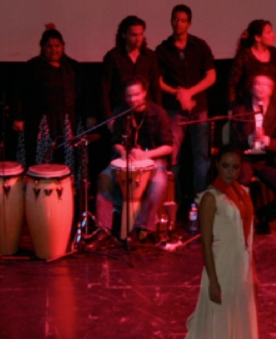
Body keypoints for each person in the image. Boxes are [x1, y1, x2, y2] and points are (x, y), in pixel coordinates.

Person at [174, 144, 265, 339]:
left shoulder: (243, 193)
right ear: (217, 165)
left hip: (241, 272)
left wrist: (254, 273)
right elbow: (205, 244)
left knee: (238, 327)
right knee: (211, 328)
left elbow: (248, 240)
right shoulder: (211, 198)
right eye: (225, 166)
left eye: (235, 167)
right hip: (221, 270)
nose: (230, 171)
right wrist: (213, 281)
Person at [95, 76, 172, 241]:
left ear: (144, 93)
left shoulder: (158, 113)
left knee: (159, 182)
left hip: (152, 158)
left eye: (136, 94)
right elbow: (115, 141)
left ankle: (142, 227)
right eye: (129, 96)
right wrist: (123, 151)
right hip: (126, 159)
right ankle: (103, 228)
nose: (133, 99)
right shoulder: (121, 112)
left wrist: (146, 154)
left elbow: (168, 146)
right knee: (104, 178)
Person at [12, 25, 95, 170]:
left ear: (63, 46)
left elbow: (84, 94)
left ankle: (68, 188)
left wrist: (89, 115)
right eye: (49, 46)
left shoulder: (72, 67)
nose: (53, 50)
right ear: (42, 47)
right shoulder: (32, 67)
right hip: (42, 121)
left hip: (68, 121)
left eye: (57, 46)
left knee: (68, 158)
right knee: (43, 159)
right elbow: (19, 93)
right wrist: (19, 117)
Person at [155, 5, 216, 198]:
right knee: (173, 157)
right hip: (174, 110)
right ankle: (173, 201)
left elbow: (211, 76)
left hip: (199, 108)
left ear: (189, 23)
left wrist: (189, 93)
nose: (178, 23)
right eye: (175, 19)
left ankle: (201, 200)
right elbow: (157, 81)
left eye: (182, 20)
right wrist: (177, 93)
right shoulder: (163, 49)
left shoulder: (199, 45)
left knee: (202, 157)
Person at [230, 74, 276, 234]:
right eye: (257, 84)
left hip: (267, 160)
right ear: (251, 88)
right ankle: (240, 221)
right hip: (246, 158)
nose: (261, 87)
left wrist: (267, 140)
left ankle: (262, 216)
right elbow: (233, 141)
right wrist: (249, 139)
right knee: (242, 181)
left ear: (272, 90)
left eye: (265, 85)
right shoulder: (241, 110)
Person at [101, 16, 162, 121]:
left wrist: (158, 112)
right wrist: (109, 117)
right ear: (124, 35)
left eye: (141, 34)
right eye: (133, 35)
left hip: (145, 112)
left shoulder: (149, 56)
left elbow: (155, 87)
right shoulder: (113, 57)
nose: (138, 39)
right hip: (121, 112)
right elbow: (104, 89)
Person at [227, 20, 276, 107]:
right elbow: (232, 84)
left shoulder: (274, 53)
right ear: (257, 37)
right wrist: (233, 106)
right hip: (250, 107)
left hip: (271, 107)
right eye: (268, 33)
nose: (273, 34)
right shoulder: (244, 56)